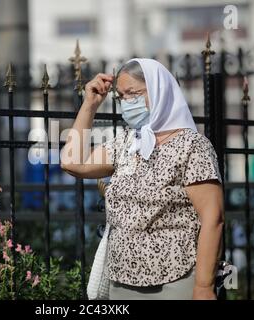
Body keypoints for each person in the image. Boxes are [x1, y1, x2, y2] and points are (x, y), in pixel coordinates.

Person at [60, 58, 224, 300]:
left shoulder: (192, 145)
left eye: (133, 93)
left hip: (174, 281)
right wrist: (90, 105)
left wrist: (203, 286)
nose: (127, 102)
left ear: (158, 92)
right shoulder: (128, 142)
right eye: (121, 96)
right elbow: (72, 162)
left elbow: (213, 218)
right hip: (121, 281)